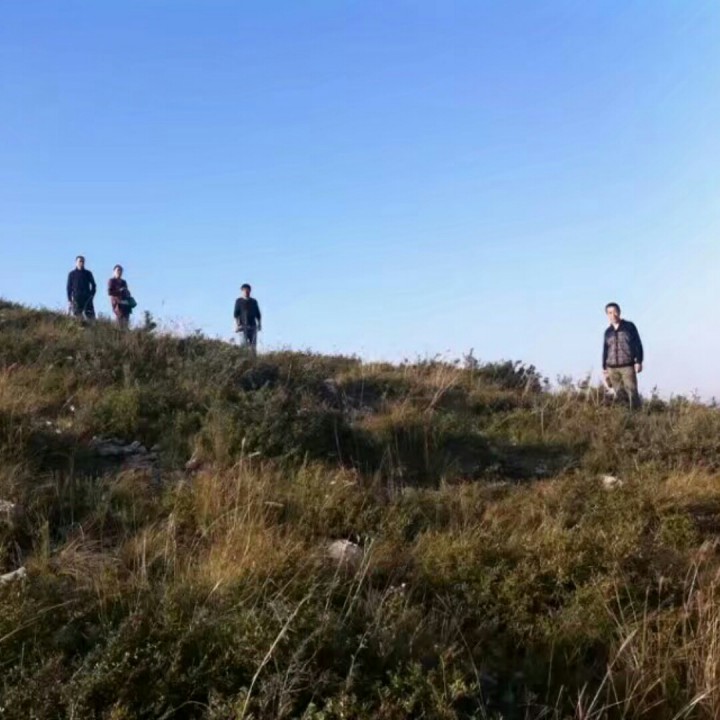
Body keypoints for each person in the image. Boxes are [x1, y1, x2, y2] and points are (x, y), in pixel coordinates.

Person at [602, 302, 644, 409]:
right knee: (620, 394)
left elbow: (637, 343)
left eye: (615, 312)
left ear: (619, 312)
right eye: (610, 313)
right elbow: (605, 350)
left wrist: (639, 361)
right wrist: (604, 368)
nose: (613, 315)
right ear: (607, 315)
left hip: (627, 366)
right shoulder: (608, 332)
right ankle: (625, 416)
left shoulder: (629, 326)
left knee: (632, 393)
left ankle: (637, 415)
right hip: (612, 368)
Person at [66, 255, 97, 321]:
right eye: (80, 261)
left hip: (87, 298)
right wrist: (69, 299)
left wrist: (92, 295)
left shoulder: (88, 273)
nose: (81, 263)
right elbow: (69, 288)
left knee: (91, 317)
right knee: (77, 317)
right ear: (76, 262)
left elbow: (94, 285)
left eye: (83, 261)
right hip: (76, 298)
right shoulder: (72, 274)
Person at [234, 283, 262, 352]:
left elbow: (258, 314)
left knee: (253, 346)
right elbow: (236, 314)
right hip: (242, 326)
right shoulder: (239, 301)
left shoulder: (254, 301)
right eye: (244, 290)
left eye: (247, 290)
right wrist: (236, 325)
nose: (246, 292)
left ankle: (253, 358)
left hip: (252, 326)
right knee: (244, 346)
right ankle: (244, 358)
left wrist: (259, 324)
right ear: (242, 291)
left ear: (250, 291)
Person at [108, 264, 133, 329]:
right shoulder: (112, 281)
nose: (119, 272)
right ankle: (118, 332)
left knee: (126, 320)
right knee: (119, 320)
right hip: (117, 303)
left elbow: (126, 291)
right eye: (118, 270)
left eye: (121, 271)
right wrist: (119, 291)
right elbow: (110, 292)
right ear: (114, 272)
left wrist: (128, 297)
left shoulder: (124, 282)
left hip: (125, 303)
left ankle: (125, 333)